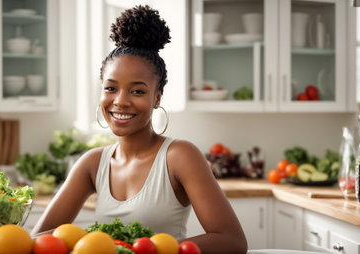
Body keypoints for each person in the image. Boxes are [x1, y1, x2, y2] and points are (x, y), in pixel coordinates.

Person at [32, 5, 247, 254]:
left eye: (137, 91)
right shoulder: (92, 163)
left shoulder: (179, 156)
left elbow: (232, 241)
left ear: (157, 97)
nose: (120, 101)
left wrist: (142, 250)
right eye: (111, 88)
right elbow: (39, 237)